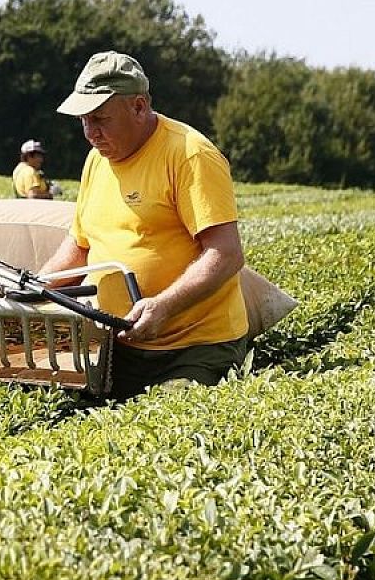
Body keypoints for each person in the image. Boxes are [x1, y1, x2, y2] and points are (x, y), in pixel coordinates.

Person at [37, 51, 248, 400]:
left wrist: (163, 307)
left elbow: (225, 254)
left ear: (138, 106)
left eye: (100, 119)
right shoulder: (98, 159)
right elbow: (80, 245)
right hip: (119, 343)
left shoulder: (189, 155)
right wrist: (35, 287)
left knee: (165, 423)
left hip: (194, 348)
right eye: (84, 121)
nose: (91, 133)